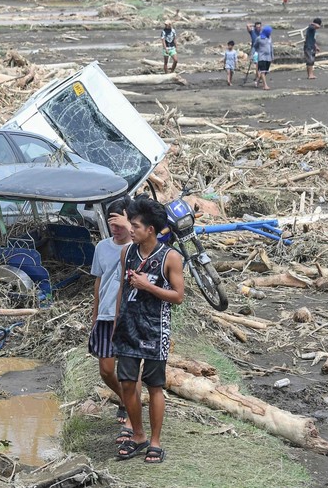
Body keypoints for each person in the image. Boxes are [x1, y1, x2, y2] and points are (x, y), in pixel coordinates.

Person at [113, 198, 185, 464]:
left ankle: (155, 441)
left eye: (135, 226)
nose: (131, 230)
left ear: (150, 230)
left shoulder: (170, 257)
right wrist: (116, 322)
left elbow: (178, 296)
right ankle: (138, 435)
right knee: (128, 383)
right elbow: (122, 288)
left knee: (154, 386)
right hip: (128, 328)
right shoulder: (127, 253)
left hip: (155, 330)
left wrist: (148, 286)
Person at [88, 197, 139, 446]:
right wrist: (96, 314)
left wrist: (129, 228)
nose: (115, 229)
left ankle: (131, 419)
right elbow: (99, 282)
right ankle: (125, 399)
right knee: (106, 370)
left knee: (130, 371)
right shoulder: (102, 248)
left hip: (129, 317)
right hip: (106, 315)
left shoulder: (139, 247)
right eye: (112, 225)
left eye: (119, 223)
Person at [253, 26, 274, 90]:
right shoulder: (259, 38)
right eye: (269, 32)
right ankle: (265, 85)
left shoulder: (269, 38)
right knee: (262, 71)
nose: (270, 33)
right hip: (261, 57)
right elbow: (255, 46)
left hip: (268, 57)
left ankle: (258, 81)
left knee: (265, 71)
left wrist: (272, 56)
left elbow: (271, 47)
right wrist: (256, 53)